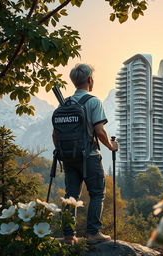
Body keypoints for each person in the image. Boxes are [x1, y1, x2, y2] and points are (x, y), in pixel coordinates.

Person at [61, 63, 118, 245]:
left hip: (68, 157)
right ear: (90, 80)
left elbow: (56, 134)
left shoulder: (65, 103)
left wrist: (66, 152)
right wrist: (111, 146)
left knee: (71, 196)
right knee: (97, 194)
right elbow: (99, 130)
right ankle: (93, 233)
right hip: (90, 156)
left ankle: (69, 236)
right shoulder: (93, 102)